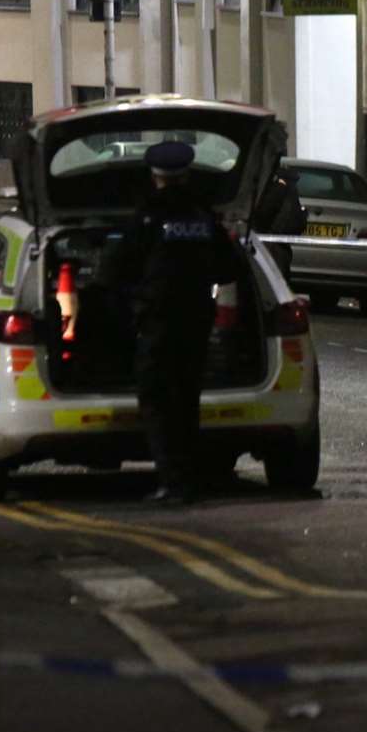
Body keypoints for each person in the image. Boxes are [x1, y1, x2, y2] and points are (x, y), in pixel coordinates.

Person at [106, 140, 241, 504]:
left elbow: (118, 268)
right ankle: (187, 479)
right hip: (196, 322)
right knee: (186, 400)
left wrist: (129, 302)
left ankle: (172, 481)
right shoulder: (203, 216)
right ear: (186, 175)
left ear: (155, 177)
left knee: (157, 399)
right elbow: (230, 267)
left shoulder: (149, 215)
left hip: (160, 322)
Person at [251, 160, 306, 280]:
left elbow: (263, 215)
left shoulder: (277, 189)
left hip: (271, 246)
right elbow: (299, 223)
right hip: (283, 247)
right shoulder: (292, 192)